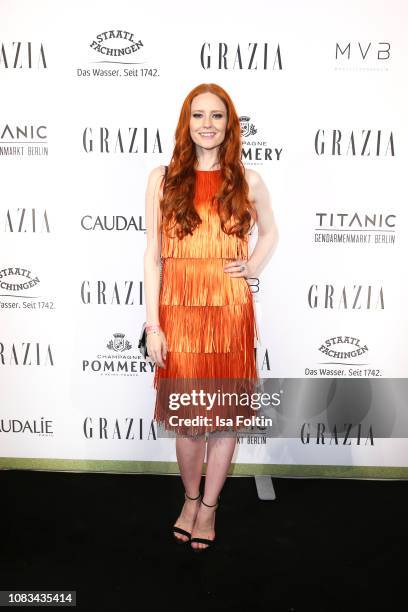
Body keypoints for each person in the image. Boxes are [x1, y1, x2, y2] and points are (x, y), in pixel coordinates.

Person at [143, 83, 278, 551]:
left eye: (216, 115)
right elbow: (152, 255)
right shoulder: (162, 178)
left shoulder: (248, 179)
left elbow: (271, 231)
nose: (207, 123)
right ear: (186, 123)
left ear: (229, 123)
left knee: (223, 419)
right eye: (198, 115)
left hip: (229, 309)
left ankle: (210, 506)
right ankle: (189, 497)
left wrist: (253, 265)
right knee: (187, 419)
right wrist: (152, 325)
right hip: (177, 311)